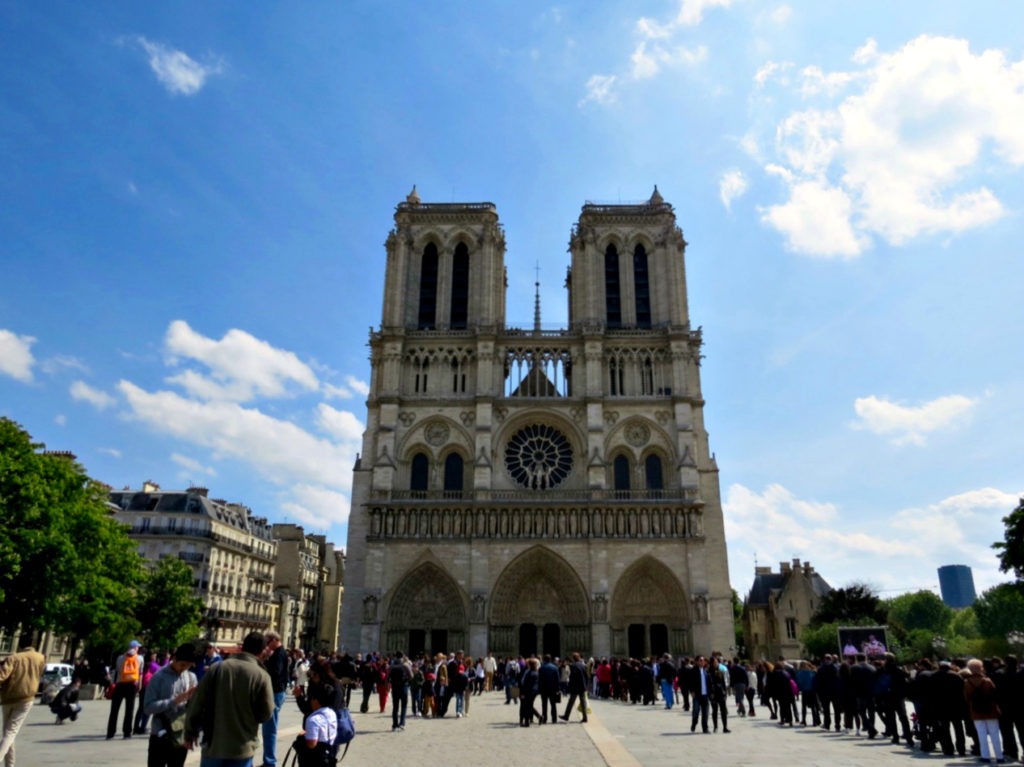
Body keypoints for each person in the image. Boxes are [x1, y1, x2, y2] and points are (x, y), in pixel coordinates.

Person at [184, 631, 275, 767]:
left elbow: (197, 702)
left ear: (243, 646)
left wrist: (190, 732)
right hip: (242, 746)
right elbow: (266, 714)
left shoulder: (217, 668)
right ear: (262, 651)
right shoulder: (262, 675)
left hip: (214, 744)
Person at [143, 642, 198, 767]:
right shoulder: (159, 677)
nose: (184, 668)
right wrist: (173, 701)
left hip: (180, 737)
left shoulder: (191, 677)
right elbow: (147, 707)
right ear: (174, 659)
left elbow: (193, 709)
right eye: (182, 664)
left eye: (188, 666)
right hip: (160, 735)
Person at [0, 639, 45, 765]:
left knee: (8, 732)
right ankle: (9, 764)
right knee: (10, 733)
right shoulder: (40, 658)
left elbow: (2, 676)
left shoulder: (13, 658)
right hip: (27, 698)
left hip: (9, 698)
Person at [964, 658, 1004, 763]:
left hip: (976, 711)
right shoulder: (987, 681)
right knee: (995, 733)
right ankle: (999, 756)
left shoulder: (967, 682)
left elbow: (967, 698)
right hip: (991, 710)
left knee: (981, 734)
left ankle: (985, 756)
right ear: (980, 668)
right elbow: (995, 694)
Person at [260, 631, 290, 767]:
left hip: (275, 692)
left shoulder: (278, 654)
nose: (266, 645)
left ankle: (270, 762)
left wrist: (264, 662)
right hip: (278, 692)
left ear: (274, 640)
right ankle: (269, 760)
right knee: (269, 728)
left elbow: (275, 672)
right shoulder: (280, 653)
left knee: (269, 729)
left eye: (267, 642)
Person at [107, 639, 144, 740]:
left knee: (114, 710)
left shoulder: (120, 658)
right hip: (132, 685)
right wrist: (139, 686)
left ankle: (110, 732)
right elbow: (140, 673)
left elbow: (118, 671)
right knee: (129, 709)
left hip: (120, 684)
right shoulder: (140, 658)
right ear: (135, 648)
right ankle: (127, 733)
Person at [295, 683, 337, 767]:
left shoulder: (313, 720)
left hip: (315, 760)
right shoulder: (332, 713)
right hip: (329, 755)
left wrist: (301, 737)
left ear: (316, 700)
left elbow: (312, 744)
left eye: (311, 699)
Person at [560, 652, 589, 724]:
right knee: (583, 702)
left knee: (571, 702)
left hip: (575, 687)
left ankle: (566, 716)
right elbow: (586, 676)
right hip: (582, 686)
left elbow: (572, 677)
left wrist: (569, 687)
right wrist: (586, 685)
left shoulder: (573, 666)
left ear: (573, 658)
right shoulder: (583, 665)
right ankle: (585, 718)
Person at [687, 655, 712, 733]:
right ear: (697, 662)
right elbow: (689, 682)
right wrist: (691, 691)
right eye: (700, 660)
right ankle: (694, 723)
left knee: (705, 712)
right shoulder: (693, 671)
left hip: (705, 695)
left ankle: (705, 728)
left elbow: (709, 683)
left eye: (703, 660)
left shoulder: (706, 671)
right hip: (697, 695)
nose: (702, 662)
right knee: (696, 711)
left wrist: (711, 692)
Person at [388, 652, 411, 731]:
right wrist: (406, 681)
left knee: (395, 707)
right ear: (403, 656)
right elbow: (411, 676)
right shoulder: (405, 665)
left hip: (395, 688)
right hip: (403, 688)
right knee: (404, 706)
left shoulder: (391, 666)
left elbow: (387, 678)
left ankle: (394, 725)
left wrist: (388, 686)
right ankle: (402, 724)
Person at [538, 655, 561, 724]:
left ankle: (544, 718)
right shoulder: (555, 668)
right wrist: (558, 689)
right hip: (553, 689)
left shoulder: (541, 668)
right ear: (550, 659)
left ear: (544, 660)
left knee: (544, 705)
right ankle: (554, 719)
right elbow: (557, 679)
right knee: (553, 704)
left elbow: (539, 679)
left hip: (544, 689)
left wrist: (539, 689)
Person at [518, 658, 540, 727]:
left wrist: (523, 693)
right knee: (529, 706)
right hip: (535, 691)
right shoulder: (536, 672)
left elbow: (525, 683)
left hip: (528, 691)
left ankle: (526, 722)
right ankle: (538, 717)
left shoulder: (529, 673)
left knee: (526, 706)